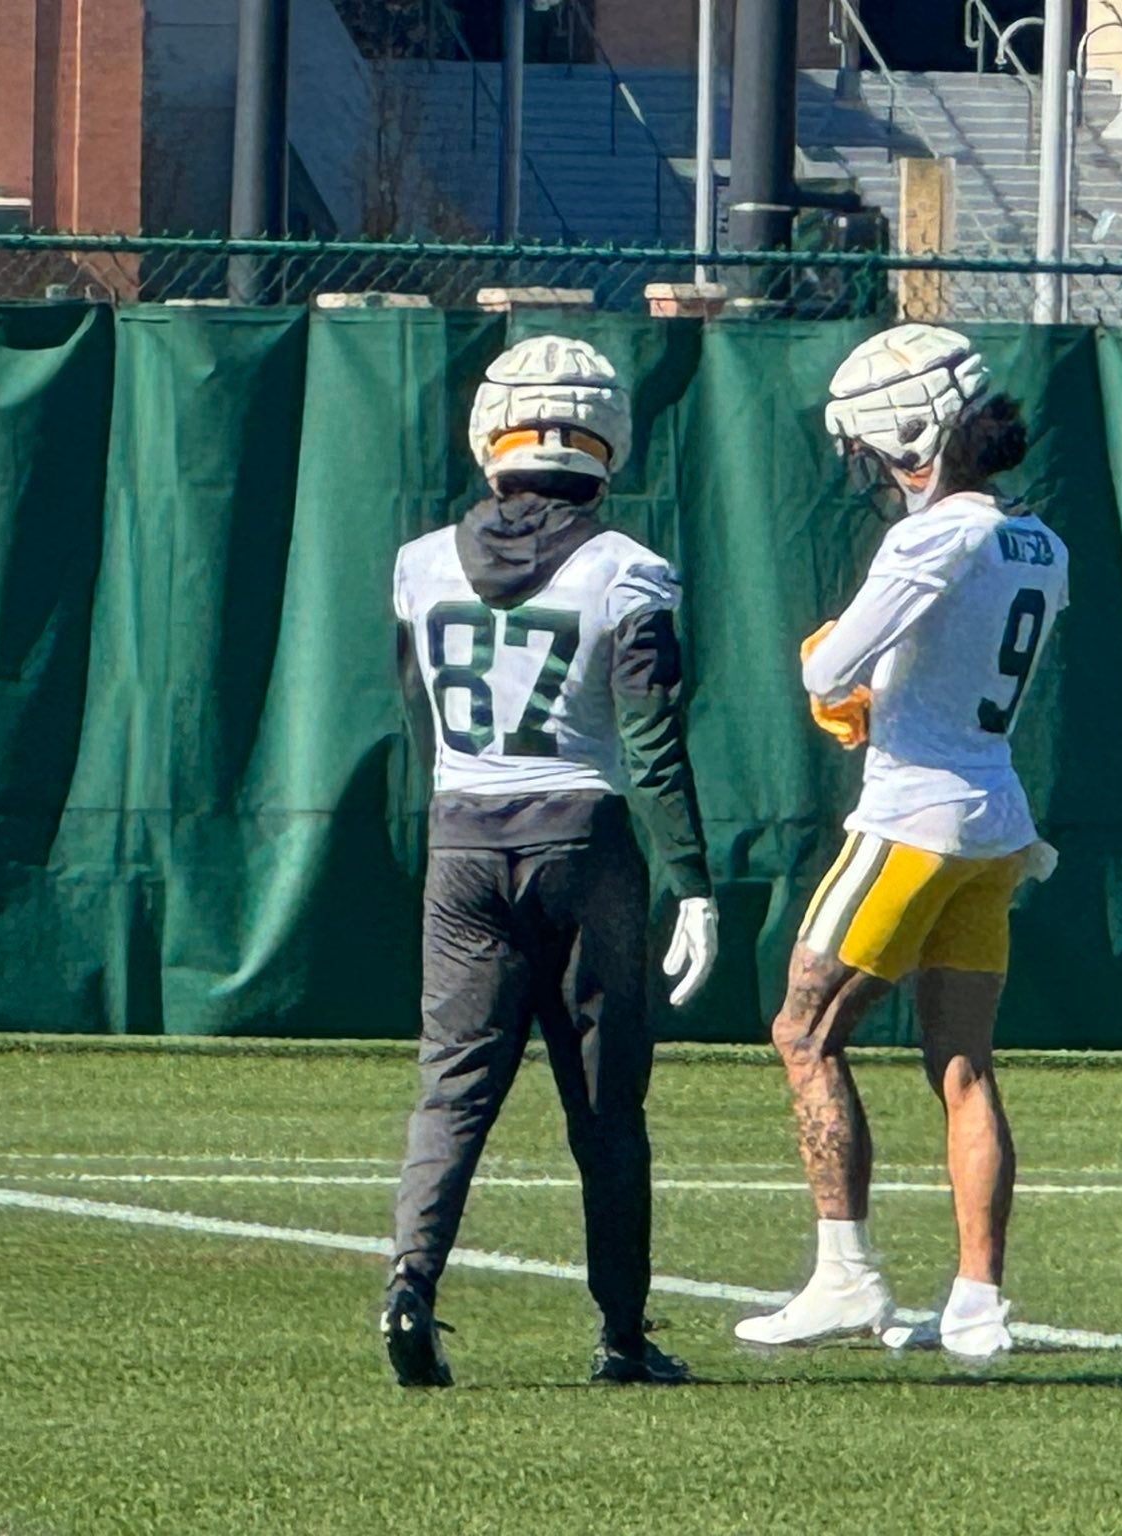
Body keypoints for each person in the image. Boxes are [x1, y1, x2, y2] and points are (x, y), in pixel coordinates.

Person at [382, 335, 718, 1387]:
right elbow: (653, 742)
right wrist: (693, 883)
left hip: (461, 837)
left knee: (451, 1087)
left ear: (491, 437)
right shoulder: (627, 569)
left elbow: (416, 712)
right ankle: (620, 1335)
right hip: (582, 836)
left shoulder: (419, 562)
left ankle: (409, 1284)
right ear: (604, 439)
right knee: (606, 1105)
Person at [733, 324, 1067, 1366]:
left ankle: (845, 1274)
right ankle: (977, 1302)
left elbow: (828, 668)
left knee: (803, 1032)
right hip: (996, 821)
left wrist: (838, 684)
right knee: (962, 1063)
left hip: (910, 821)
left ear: (908, 438)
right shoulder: (1037, 543)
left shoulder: (930, 537)